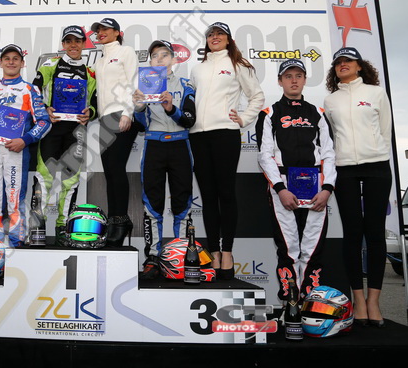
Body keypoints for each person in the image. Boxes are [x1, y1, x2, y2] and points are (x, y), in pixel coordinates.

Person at [189, 22, 264, 279]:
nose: (215, 37)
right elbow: (191, 100)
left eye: (220, 33)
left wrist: (244, 118)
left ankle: (228, 251)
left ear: (229, 39)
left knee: (226, 193)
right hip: (197, 136)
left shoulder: (238, 65)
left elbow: (257, 96)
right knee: (208, 196)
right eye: (211, 34)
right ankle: (214, 252)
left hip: (225, 134)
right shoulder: (197, 68)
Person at [256, 59, 336, 301]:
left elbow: (329, 153)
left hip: (315, 187)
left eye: (298, 76)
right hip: (284, 186)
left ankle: (310, 302)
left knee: (313, 247)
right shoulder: (269, 113)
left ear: (304, 80)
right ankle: (290, 303)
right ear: (280, 81)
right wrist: (280, 189)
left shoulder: (318, 113)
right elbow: (265, 155)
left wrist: (327, 189)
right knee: (288, 247)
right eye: (288, 76)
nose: (293, 80)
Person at [324, 47, 392, 327]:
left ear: (360, 66)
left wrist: (377, 152)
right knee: (352, 233)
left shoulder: (376, 93)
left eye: (348, 61)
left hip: (377, 166)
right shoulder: (330, 100)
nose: (343, 65)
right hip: (345, 169)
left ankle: (374, 300)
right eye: (338, 62)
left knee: (374, 233)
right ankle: (358, 299)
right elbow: (332, 135)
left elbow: (385, 130)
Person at [133, 40, 196, 279]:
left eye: (164, 55)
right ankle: (153, 256)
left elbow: (190, 119)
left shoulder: (186, 85)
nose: (159, 59)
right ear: (150, 61)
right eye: (154, 56)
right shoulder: (143, 85)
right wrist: (139, 107)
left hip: (180, 145)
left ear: (174, 59)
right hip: (154, 145)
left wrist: (171, 108)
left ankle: (181, 256)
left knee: (182, 204)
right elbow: (140, 125)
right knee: (152, 204)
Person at [32, 25, 97, 246]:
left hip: (76, 131)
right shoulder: (50, 65)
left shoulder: (90, 73)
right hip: (51, 129)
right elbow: (34, 91)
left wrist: (91, 113)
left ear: (84, 44)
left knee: (70, 180)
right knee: (44, 177)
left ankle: (64, 227)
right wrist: (44, 109)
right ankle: (37, 226)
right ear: (63, 44)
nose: (73, 45)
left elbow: (95, 101)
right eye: (68, 41)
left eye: (77, 41)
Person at [0, 44, 51, 247]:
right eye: (7, 58)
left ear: (22, 63)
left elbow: (44, 122)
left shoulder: (29, 89)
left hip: (16, 151)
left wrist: (25, 140)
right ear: (0, 63)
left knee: (14, 201)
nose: (11, 62)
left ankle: (15, 244)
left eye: (15, 58)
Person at [91, 17, 139, 244]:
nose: (101, 32)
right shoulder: (100, 61)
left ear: (117, 32)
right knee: (110, 171)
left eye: (106, 29)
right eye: (98, 30)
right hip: (104, 119)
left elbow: (133, 82)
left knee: (117, 168)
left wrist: (128, 112)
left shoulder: (126, 51)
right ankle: (114, 221)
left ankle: (121, 220)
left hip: (121, 114)